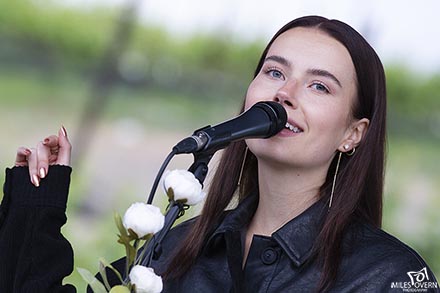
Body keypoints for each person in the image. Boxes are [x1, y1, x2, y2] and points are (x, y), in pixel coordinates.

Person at [0, 15, 438, 292]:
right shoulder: (173, 251)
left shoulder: (387, 275)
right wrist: (36, 203)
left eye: (319, 85)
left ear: (353, 133)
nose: (284, 93)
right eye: (274, 72)